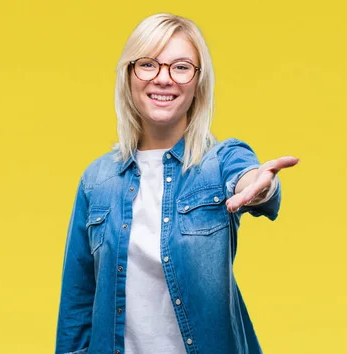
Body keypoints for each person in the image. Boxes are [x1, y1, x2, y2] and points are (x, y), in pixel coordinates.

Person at [55, 13, 299, 354]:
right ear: (129, 75)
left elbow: (253, 181)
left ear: (199, 81)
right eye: (148, 64)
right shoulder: (97, 181)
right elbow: (77, 307)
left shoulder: (221, 160)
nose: (163, 79)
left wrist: (260, 186)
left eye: (181, 67)